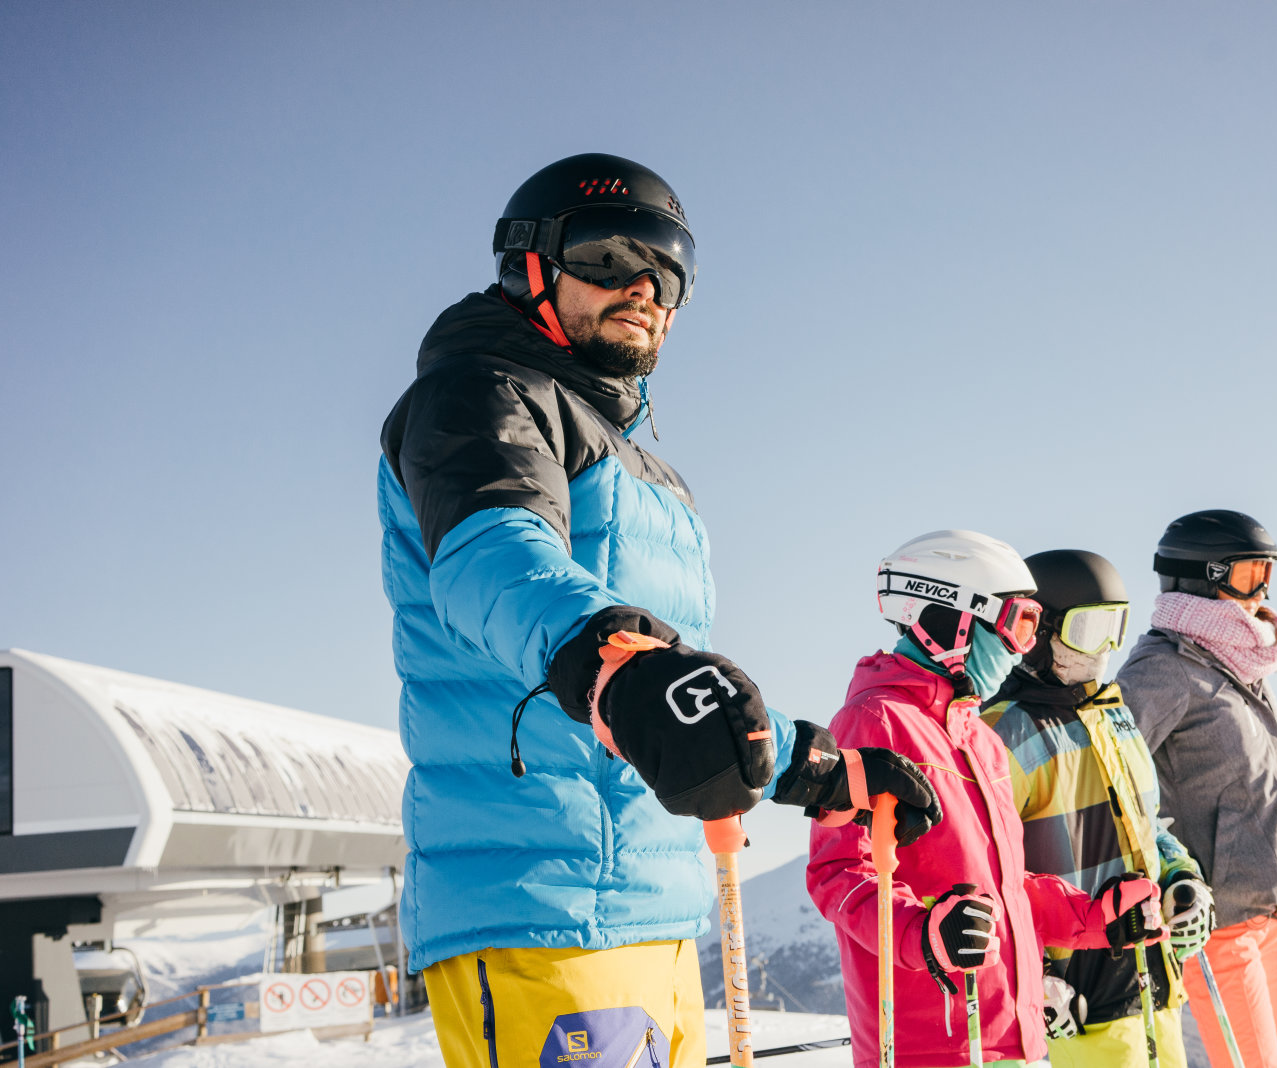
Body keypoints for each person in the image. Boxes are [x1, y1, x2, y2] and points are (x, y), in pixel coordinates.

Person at [378, 153, 939, 1068]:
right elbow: (495, 563)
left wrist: (814, 767)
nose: (640, 286)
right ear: (529, 265)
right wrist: (616, 664)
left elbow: (682, 682)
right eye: (605, 256)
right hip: (544, 905)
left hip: (661, 899)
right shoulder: (477, 398)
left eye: (666, 270)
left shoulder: (647, 470)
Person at [807, 531, 1166, 1068]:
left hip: (1010, 1036)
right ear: (953, 620)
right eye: (1019, 623)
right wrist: (924, 935)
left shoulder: (982, 741)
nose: (1024, 647)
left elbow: (1006, 889)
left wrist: (1095, 918)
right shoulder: (876, 721)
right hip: (932, 1045)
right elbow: (839, 873)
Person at [982, 550, 1211, 1068]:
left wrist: (1180, 875)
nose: (1105, 648)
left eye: (1116, 627)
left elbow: (1147, 827)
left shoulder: (1112, 714)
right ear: (1038, 634)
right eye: (1090, 629)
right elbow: (988, 877)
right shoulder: (1003, 732)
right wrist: (1026, 979)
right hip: (1077, 994)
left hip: (1153, 976)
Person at [1116, 510, 1277, 1068]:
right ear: (1206, 576)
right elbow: (1109, 773)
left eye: (1268, 574)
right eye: (1251, 573)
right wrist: (1163, 865)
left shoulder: (1241, 664)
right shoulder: (1164, 668)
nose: (1263, 590)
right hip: (1222, 922)